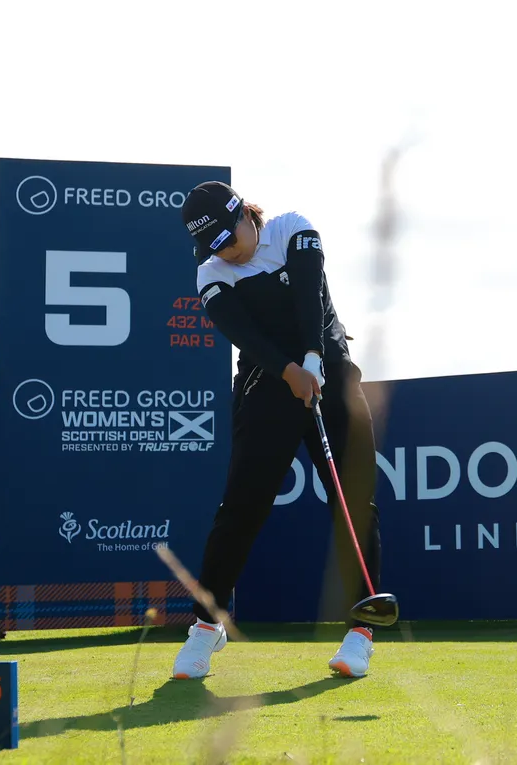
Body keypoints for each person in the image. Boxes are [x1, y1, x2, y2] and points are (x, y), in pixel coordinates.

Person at [171, 181, 382, 680]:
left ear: (245, 214)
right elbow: (245, 336)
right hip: (267, 383)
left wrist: (311, 358)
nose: (226, 250)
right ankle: (207, 626)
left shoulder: (292, 230)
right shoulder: (212, 272)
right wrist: (290, 370)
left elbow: (311, 297)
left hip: (331, 373)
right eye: (213, 245)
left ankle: (361, 631)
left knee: (353, 502)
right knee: (241, 509)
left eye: (229, 237)